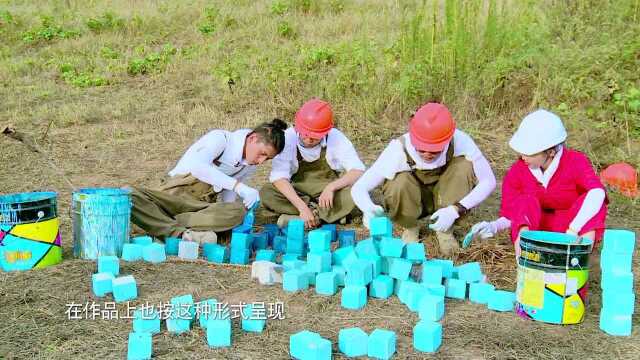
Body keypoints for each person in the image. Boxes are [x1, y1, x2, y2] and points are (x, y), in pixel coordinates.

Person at [351, 102, 496, 255]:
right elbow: (359, 187)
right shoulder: (398, 149)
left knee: (464, 167)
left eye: (434, 150)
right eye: (421, 148)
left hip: (446, 199)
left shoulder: (461, 140)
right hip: (413, 200)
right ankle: (411, 227)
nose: (427, 154)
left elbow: (489, 181)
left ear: (447, 139)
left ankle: (445, 230)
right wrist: (368, 208)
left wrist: (455, 210)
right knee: (397, 183)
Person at [469, 109, 607, 258]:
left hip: (570, 230)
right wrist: (493, 226)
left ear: (551, 152)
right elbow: (512, 213)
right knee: (525, 201)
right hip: (536, 230)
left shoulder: (575, 161)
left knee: (593, 203)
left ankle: (576, 260)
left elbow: (597, 193)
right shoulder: (518, 171)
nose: (523, 157)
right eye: (522, 151)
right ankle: (526, 259)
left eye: (530, 153)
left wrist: (573, 230)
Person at [130, 119, 288, 244]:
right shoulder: (221, 138)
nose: (261, 161)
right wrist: (239, 187)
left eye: (267, 159)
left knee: (237, 212)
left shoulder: (249, 165)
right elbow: (198, 167)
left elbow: (229, 197)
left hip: (199, 207)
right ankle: (176, 231)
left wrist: (234, 215)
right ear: (253, 138)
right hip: (173, 195)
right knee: (128, 195)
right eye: (262, 154)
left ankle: (157, 224)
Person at [260, 99, 366, 229]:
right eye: (305, 134)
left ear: (326, 131)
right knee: (267, 193)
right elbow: (279, 178)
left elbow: (358, 170)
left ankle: (306, 218)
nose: (309, 139)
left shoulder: (336, 137)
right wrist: (302, 207)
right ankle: (319, 215)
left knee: (356, 193)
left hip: (327, 194)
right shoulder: (287, 138)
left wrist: (331, 187)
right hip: (298, 191)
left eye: (315, 136)